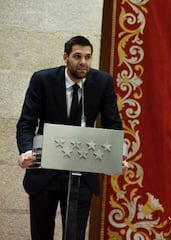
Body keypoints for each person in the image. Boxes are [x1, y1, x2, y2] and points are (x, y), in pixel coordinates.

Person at [16, 35, 127, 240]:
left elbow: (113, 123)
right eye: (77, 56)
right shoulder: (43, 80)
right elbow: (27, 121)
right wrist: (25, 151)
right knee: (41, 234)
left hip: (81, 172)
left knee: (74, 236)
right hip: (45, 170)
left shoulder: (102, 82)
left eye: (88, 57)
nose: (83, 62)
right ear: (66, 57)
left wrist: (118, 155)